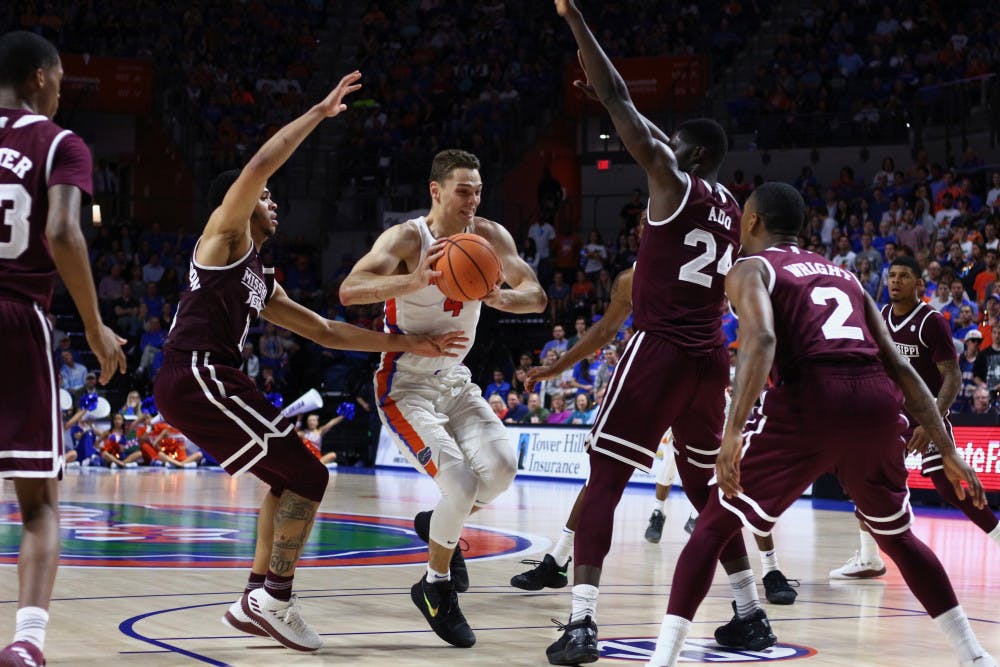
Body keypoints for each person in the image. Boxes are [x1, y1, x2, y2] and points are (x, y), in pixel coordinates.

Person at [153, 73, 466, 653]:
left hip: (211, 378)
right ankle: (275, 599)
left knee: (288, 476)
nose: (273, 203)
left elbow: (325, 331)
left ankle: (256, 598)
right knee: (311, 476)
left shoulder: (257, 274)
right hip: (198, 373)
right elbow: (258, 166)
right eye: (266, 198)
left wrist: (405, 343)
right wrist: (319, 112)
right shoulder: (223, 238)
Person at [642, 182, 993, 667]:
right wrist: (947, 449)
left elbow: (762, 340)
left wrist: (733, 430)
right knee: (898, 537)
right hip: (875, 401)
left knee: (714, 525)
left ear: (752, 221)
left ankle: (662, 660)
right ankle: (975, 656)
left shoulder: (750, 267)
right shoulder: (844, 275)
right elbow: (899, 366)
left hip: (812, 396)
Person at [546, 4, 769, 664]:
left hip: (661, 349)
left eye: (671, 141)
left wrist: (575, 18)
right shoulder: (733, 208)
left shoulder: (673, 181)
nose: (659, 145)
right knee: (705, 490)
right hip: (710, 358)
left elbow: (617, 95)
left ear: (689, 152)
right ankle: (750, 611)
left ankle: (582, 621)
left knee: (605, 479)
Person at [339, 148, 546, 649]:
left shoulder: (490, 236)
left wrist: (500, 297)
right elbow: (350, 290)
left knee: (502, 470)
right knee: (460, 482)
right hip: (404, 383)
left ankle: (437, 526)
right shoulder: (409, 238)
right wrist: (412, 280)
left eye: (478, 191)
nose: (472, 200)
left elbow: (536, 295)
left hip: (454, 379)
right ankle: (434, 587)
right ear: (436, 191)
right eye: (463, 191)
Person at [0, 30, 127, 666]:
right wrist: (96, 327)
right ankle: (26, 641)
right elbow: (61, 231)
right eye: (58, 81)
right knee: (39, 503)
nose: (59, 93)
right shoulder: (58, 141)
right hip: (17, 318)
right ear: (39, 78)